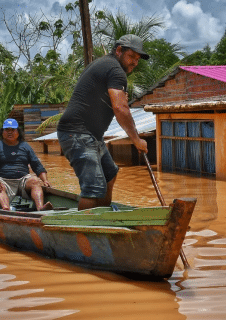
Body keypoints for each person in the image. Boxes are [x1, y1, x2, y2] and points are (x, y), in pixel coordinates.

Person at [57, 34, 149, 210]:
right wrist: (136, 140)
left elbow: (108, 101)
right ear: (119, 50)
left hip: (90, 135)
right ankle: (85, 233)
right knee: (93, 188)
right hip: (78, 133)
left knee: (110, 175)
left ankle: (104, 218)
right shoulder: (115, 70)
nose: (135, 63)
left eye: (137, 59)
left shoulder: (106, 65)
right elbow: (121, 109)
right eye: (131, 57)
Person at [0, 118, 53, 211]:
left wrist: (45, 180)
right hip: (3, 181)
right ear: (2, 132)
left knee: (35, 181)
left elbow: (37, 165)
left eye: (13, 130)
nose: (10, 132)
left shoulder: (25, 146)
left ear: (18, 132)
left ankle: (40, 208)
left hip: (23, 180)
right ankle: (6, 209)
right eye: (7, 130)